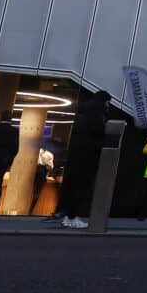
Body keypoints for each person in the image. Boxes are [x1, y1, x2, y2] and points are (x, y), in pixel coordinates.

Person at [57, 91, 109, 229]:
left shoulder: (82, 109)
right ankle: (75, 216)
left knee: (73, 184)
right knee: (83, 185)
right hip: (89, 152)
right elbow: (98, 131)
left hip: (76, 151)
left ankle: (68, 216)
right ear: (104, 101)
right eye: (108, 102)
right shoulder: (97, 112)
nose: (108, 105)